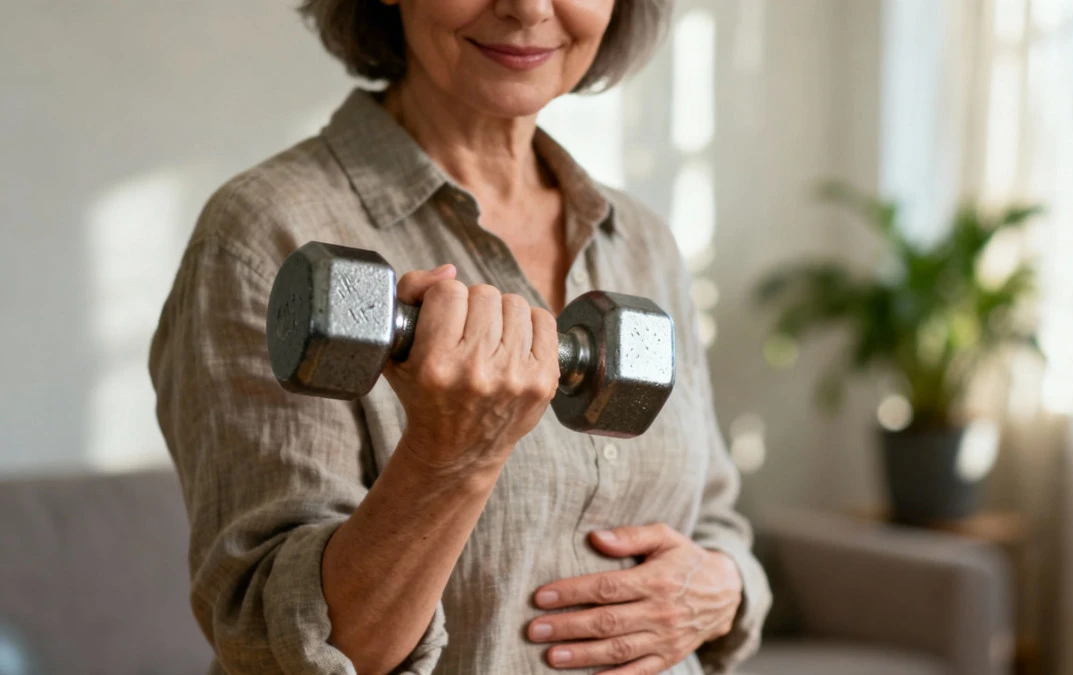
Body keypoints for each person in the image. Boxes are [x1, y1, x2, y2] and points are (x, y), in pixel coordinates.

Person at [149, 1, 770, 673]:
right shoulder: (267, 233)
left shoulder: (642, 240)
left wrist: (724, 588)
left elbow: (714, 519)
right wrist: (453, 454)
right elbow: (274, 649)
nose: (529, 7)